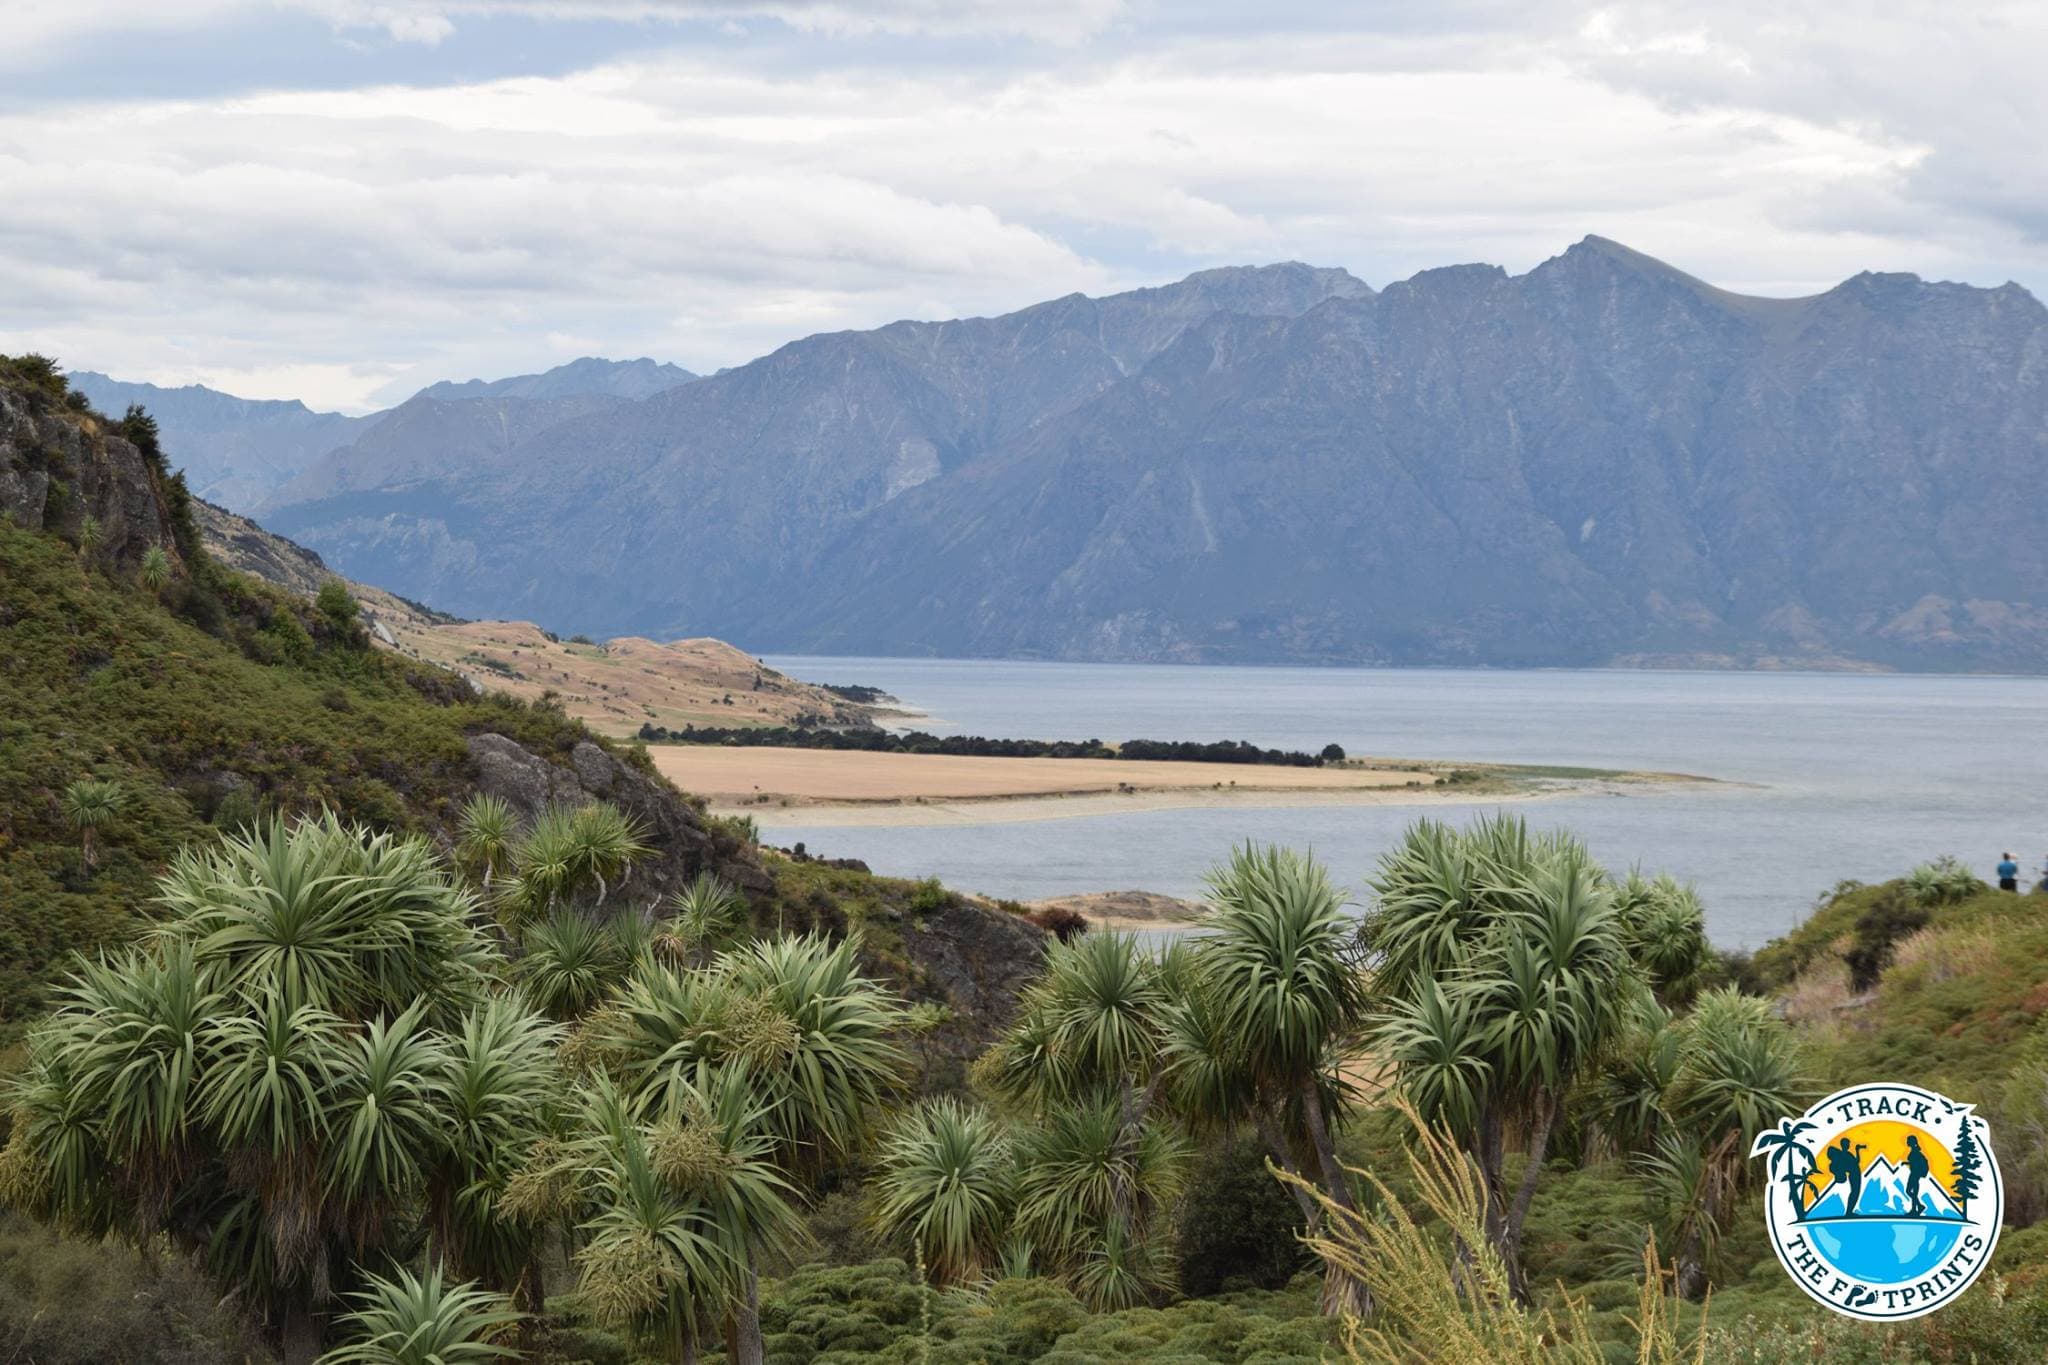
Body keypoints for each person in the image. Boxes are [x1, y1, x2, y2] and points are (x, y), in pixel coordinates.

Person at [1825, 1137, 1863, 1216]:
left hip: (1854, 1174)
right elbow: (1856, 1162)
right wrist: (1857, 1150)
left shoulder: (1844, 1154)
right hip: (1854, 1174)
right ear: (1844, 1145)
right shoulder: (1846, 1154)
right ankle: (1849, 1212)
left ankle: (1849, 1211)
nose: (1849, 1145)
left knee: (1854, 1193)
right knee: (1855, 1193)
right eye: (1847, 1144)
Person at [1904, 1135, 1931, 1217]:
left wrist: (1909, 1164)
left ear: (1911, 1142)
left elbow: (1915, 1163)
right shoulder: (1915, 1151)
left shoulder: (1915, 1152)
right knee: (1913, 1192)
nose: (1907, 1142)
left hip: (1914, 1174)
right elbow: (1914, 1162)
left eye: (1908, 1141)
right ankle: (1916, 1208)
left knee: (1909, 1191)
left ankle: (1918, 1207)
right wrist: (1907, 1163)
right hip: (1915, 1174)